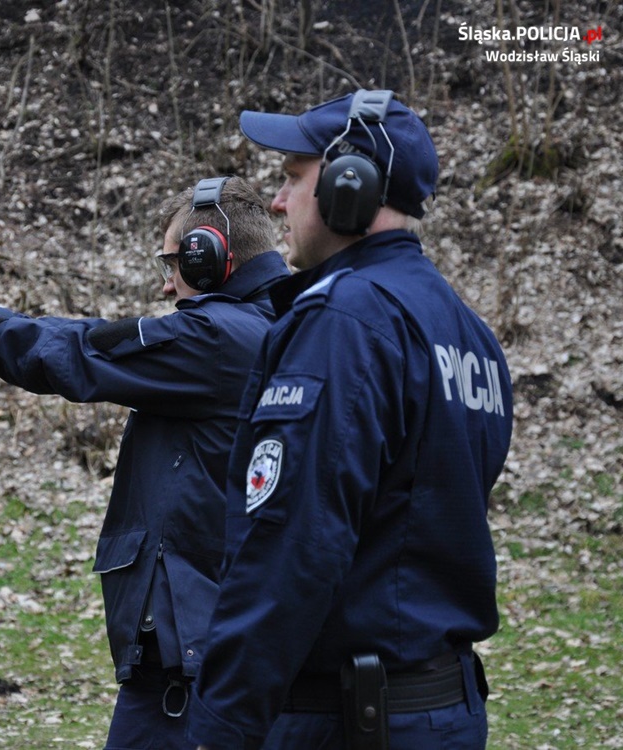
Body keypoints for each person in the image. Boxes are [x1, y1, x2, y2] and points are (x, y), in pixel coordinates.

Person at [0, 176, 291, 749]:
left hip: (190, 653)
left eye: (173, 263)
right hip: (212, 636)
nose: (167, 285)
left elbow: (81, 350)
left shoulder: (221, 338)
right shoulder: (278, 326)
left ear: (209, 257)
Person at [185, 91, 514, 750]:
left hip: (345, 721)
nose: (278, 202)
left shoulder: (345, 322)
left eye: (292, 177)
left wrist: (218, 729)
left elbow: (291, 546)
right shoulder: (468, 332)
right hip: (441, 710)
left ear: (349, 183)